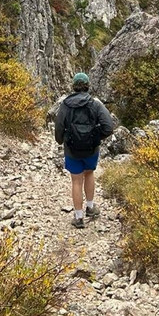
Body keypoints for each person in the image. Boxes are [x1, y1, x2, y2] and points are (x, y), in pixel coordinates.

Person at [54, 72, 114, 229]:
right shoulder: (95, 104)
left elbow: (59, 127)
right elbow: (108, 127)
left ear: (73, 87)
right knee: (89, 174)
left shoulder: (65, 105)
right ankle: (91, 207)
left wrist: (62, 141)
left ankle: (79, 217)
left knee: (76, 180)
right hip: (91, 149)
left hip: (72, 149)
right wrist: (96, 138)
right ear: (88, 86)